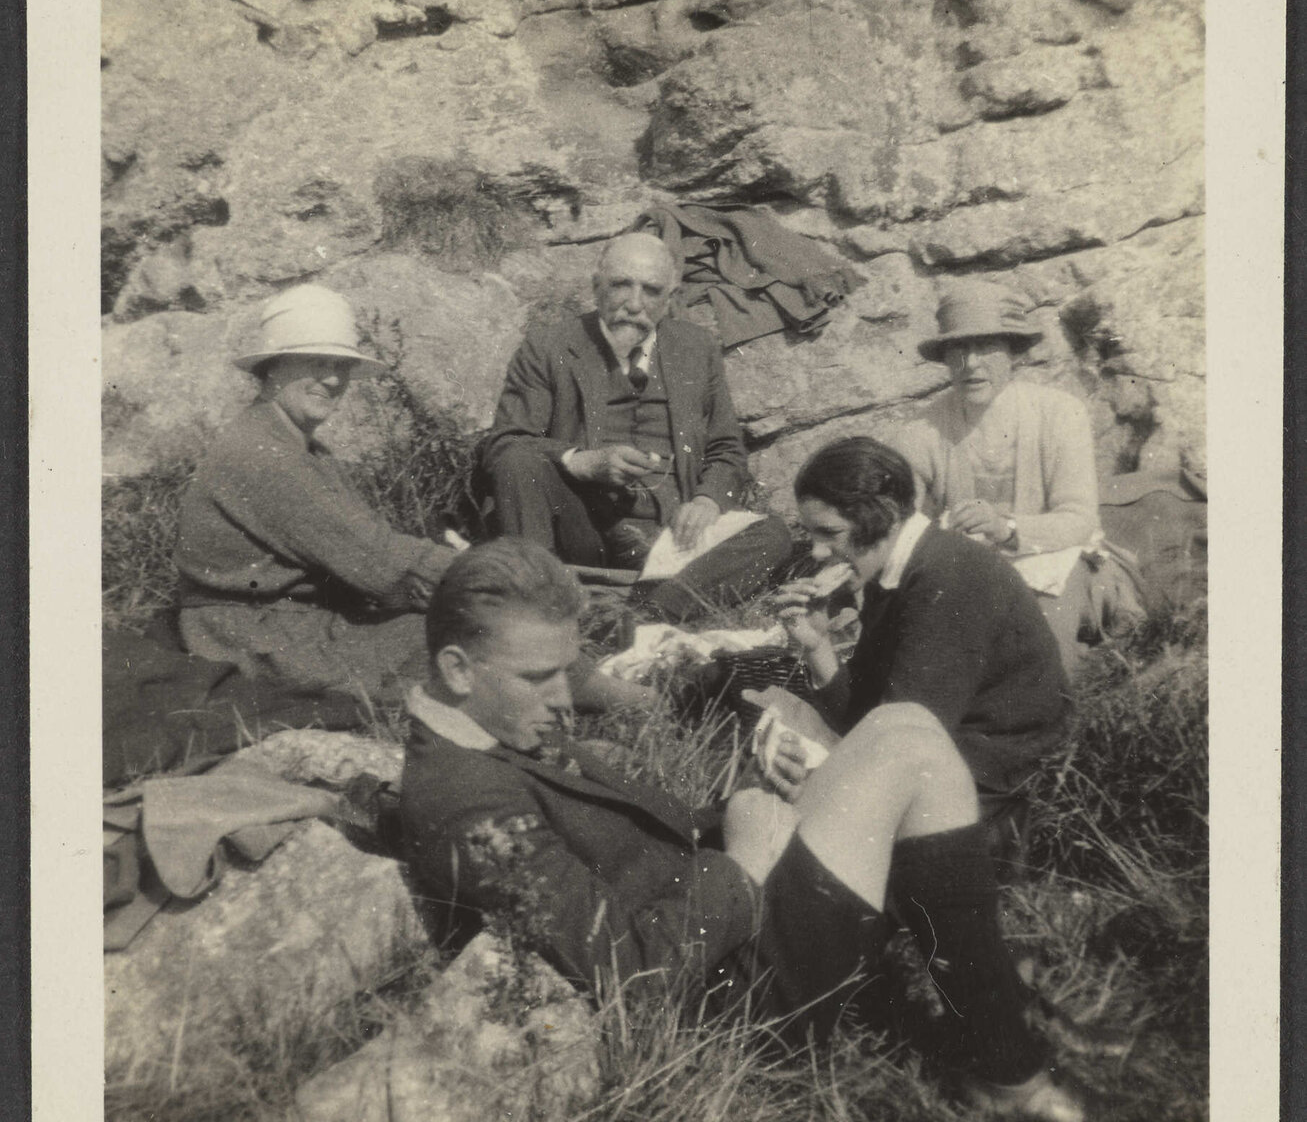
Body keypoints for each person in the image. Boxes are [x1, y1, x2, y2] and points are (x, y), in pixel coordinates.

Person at [400, 539, 1085, 1122]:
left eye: (567, 673)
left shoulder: (488, 729)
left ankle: (988, 1010)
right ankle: (1003, 1054)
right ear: (458, 669)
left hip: (731, 935)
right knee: (907, 746)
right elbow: (630, 976)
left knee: (902, 727)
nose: (563, 698)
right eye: (537, 678)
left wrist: (741, 805)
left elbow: (637, 854)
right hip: (728, 1009)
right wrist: (743, 864)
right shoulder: (465, 807)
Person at [482, 231, 792, 620]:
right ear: (596, 287)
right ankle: (540, 608)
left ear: (670, 299)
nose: (633, 303)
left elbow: (726, 448)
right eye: (620, 285)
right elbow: (503, 445)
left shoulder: (696, 349)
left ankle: (644, 616)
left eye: (650, 290)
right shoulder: (549, 347)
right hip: (586, 528)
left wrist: (706, 500)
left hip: (671, 538)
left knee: (775, 537)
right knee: (518, 465)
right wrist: (581, 462)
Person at [175, 284, 459, 704]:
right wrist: (498, 570)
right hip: (254, 635)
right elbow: (376, 559)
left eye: (341, 365)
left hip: (283, 620)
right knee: (463, 632)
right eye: (315, 363)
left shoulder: (297, 446)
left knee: (458, 624)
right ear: (271, 369)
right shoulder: (263, 455)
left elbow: (364, 549)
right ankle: (587, 688)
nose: (332, 379)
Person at [776, 435, 1070, 826]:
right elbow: (873, 719)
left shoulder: (948, 576)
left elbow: (900, 745)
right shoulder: (899, 571)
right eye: (812, 534)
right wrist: (817, 647)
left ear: (882, 516)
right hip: (956, 761)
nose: (816, 553)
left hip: (1002, 786)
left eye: (830, 533)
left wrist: (819, 783)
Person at [892, 280, 1141, 672]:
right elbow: (898, 525)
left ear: (1013, 353)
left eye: (986, 346)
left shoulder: (1059, 413)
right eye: (957, 349)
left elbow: (1079, 520)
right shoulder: (922, 432)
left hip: (1055, 562)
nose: (970, 364)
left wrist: (1006, 529)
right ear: (944, 358)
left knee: (1041, 647)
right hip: (967, 573)